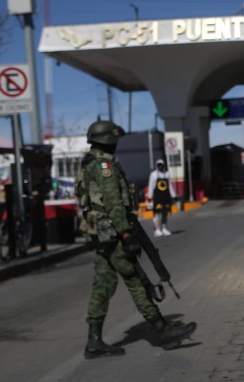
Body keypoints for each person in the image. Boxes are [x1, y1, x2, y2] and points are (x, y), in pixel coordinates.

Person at [75, 120, 197, 359]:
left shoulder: (89, 162)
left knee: (103, 285)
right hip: (113, 232)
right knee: (136, 281)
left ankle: (94, 340)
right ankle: (163, 332)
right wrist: (127, 234)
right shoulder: (103, 165)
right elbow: (113, 203)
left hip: (102, 235)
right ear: (109, 140)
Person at [146, 159, 176, 236]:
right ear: (157, 166)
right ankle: (157, 229)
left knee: (165, 213)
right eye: (158, 165)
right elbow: (151, 186)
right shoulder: (154, 175)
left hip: (165, 197)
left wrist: (174, 195)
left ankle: (164, 228)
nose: (160, 167)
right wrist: (149, 196)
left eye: (161, 165)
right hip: (158, 198)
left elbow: (169, 185)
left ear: (163, 165)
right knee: (157, 214)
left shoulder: (167, 174)